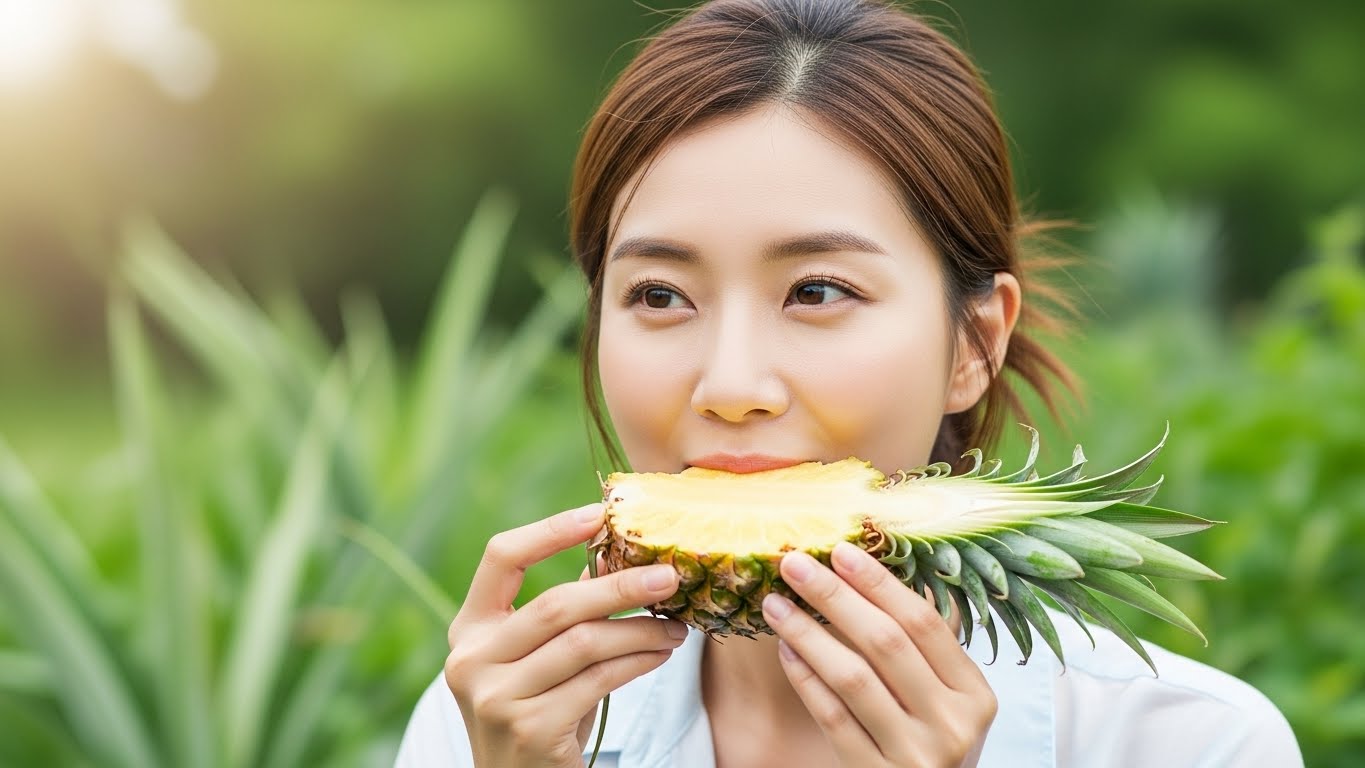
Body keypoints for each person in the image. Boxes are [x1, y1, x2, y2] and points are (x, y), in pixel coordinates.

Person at [397, 1, 1302, 765]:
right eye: (659, 295)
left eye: (817, 291)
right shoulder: (488, 725)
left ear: (973, 346)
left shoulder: (1190, 742)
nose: (731, 385)